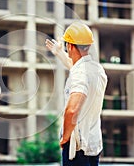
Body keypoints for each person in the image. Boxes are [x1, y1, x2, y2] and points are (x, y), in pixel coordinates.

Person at [46, 22, 108, 166]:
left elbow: (72, 110)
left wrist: (65, 138)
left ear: (70, 46)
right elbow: (77, 67)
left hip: (77, 148)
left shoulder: (80, 73)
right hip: (93, 146)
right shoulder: (97, 70)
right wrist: (60, 54)